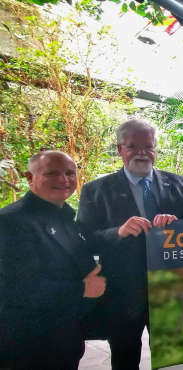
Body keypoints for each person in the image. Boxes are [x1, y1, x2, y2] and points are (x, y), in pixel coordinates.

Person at [77, 119, 183, 369]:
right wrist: (118, 232)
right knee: (125, 357)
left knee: (177, 356)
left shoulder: (179, 184)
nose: (142, 153)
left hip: (172, 288)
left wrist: (179, 226)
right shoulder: (95, 190)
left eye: (148, 146)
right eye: (133, 146)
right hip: (123, 293)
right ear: (120, 149)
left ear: (156, 149)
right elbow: (85, 241)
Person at [0, 151, 106, 369]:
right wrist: (82, 289)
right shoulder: (10, 221)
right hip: (27, 344)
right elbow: (16, 289)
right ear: (29, 177)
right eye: (52, 173)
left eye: (69, 173)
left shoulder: (64, 216)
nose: (63, 180)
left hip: (65, 338)